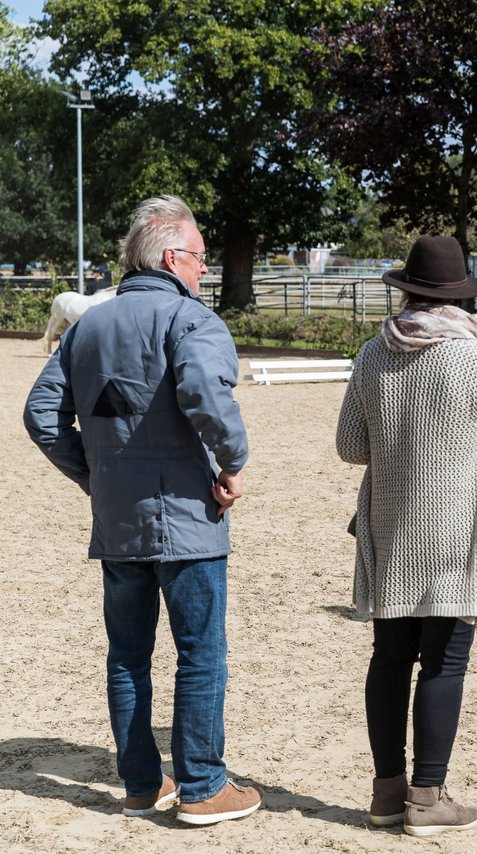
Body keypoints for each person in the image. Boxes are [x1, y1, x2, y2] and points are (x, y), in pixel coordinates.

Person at [23, 195, 262, 825]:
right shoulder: (192, 320)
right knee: (201, 653)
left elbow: (41, 416)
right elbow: (207, 396)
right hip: (187, 515)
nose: (206, 271)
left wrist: (94, 473)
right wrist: (233, 462)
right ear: (172, 255)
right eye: (201, 258)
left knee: (127, 655)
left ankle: (139, 784)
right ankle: (204, 785)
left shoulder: (85, 328)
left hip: (118, 519)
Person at [336, 234, 477, 837]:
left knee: (389, 659)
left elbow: (349, 447)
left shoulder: (372, 354)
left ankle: (387, 792)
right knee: (445, 663)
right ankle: (428, 797)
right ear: (459, 298)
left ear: (408, 292)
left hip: (391, 525)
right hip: (455, 528)